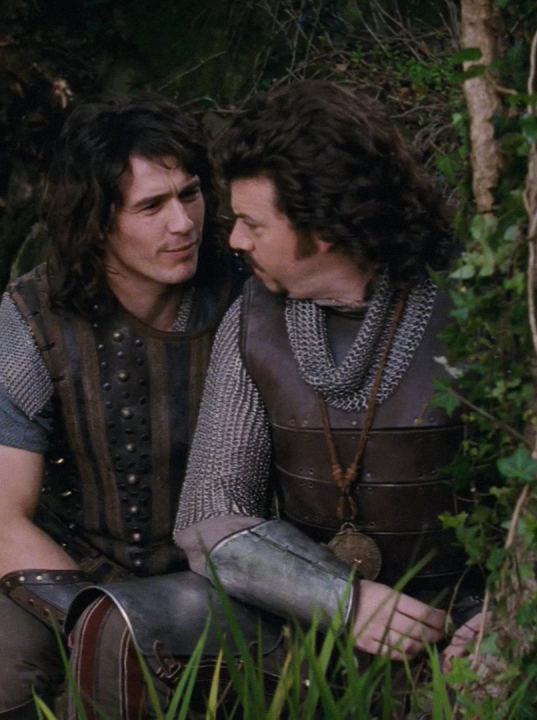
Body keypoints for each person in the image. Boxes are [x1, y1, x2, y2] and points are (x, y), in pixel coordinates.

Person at [66, 79, 487, 716]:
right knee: (116, 625)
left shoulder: (479, 309)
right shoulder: (255, 318)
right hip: (309, 619)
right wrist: (342, 600)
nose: (234, 240)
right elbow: (209, 522)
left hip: (458, 629)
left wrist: (503, 615)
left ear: (322, 229)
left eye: (253, 224)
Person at [0, 94, 244, 720]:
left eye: (190, 194)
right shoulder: (33, 318)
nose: (183, 223)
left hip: (215, 571)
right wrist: (100, 621)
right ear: (97, 221)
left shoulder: (245, 290)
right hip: (69, 561)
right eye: (151, 206)